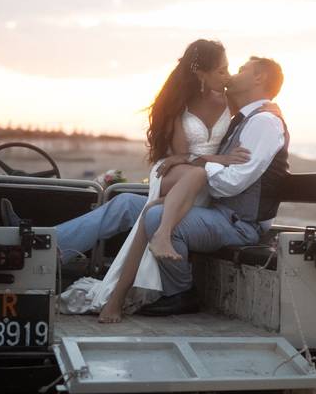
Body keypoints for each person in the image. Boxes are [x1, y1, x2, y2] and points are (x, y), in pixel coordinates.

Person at [57, 39, 252, 320]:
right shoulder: (178, 106)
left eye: (228, 69)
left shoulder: (228, 100)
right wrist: (216, 160)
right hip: (176, 173)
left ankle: (57, 246)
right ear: (200, 73)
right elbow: (182, 155)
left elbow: (256, 111)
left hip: (204, 178)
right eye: (221, 70)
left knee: (132, 205)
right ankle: (48, 246)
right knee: (191, 177)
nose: (227, 75)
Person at [135, 55, 289, 315]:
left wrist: (202, 165)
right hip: (225, 215)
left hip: (242, 223)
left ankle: (182, 293)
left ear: (259, 77)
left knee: (158, 218)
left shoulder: (264, 121)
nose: (233, 74)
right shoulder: (246, 119)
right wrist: (212, 164)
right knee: (148, 211)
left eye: (242, 69)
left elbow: (232, 184)